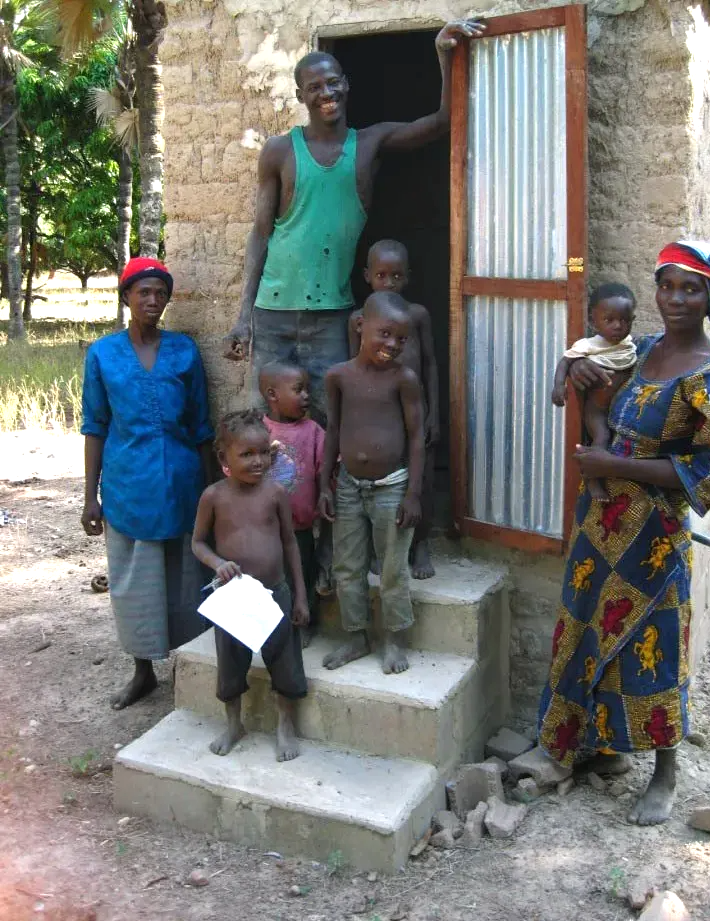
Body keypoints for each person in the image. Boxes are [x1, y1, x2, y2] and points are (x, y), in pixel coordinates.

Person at [526, 241, 710, 826]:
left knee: (655, 642)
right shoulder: (640, 349)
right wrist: (580, 373)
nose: (675, 299)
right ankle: (595, 747)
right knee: (585, 626)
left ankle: (665, 773)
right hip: (599, 522)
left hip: (653, 536)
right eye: (666, 286)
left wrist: (613, 465)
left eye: (691, 289)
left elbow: (709, 473)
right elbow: (595, 390)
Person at [221, 20, 485, 424]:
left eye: (333, 82)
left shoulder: (368, 144)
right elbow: (261, 235)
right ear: (301, 96)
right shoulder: (279, 151)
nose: (326, 93)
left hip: (332, 316)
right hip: (271, 314)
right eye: (314, 87)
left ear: (346, 84)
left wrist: (442, 54)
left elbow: (442, 121)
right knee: (269, 422)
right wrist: (244, 318)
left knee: (330, 420)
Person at [81, 258, 215, 710]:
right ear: (126, 297)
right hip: (128, 485)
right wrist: (90, 496)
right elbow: (94, 426)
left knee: (187, 577)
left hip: (181, 482)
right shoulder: (103, 354)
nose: (153, 300)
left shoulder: (184, 351)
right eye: (144, 292)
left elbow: (201, 425)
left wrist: (212, 491)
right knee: (135, 581)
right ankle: (143, 672)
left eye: (160, 292)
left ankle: (189, 669)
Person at [191, 409, 309, 761]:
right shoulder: (213, 497)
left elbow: (290, 544)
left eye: (263, 453)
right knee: (230, 663)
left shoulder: (276, 493)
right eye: (246, 454)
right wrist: (218, 563)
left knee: (285, 660)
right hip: (235, 597)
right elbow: (198, 543)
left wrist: (300, 596)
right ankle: (233, 724)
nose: (258, 461)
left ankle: (285, 725)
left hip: (275, 593)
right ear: (223, 457)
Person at [318, 292, 424, 674]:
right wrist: (325, 484)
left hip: (392, 486)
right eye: (385, 334)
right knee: (347, 566)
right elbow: (333, 430)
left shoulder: (404, 379)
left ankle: (394, 639)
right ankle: (356, 636)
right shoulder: (338, 377)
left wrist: (413, 494)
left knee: (392, 568)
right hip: (348, 486)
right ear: (361, 325)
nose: (392, 344)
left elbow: (416, 437)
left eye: (401, 339)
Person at [349, 240, 439, 579]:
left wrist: (434, 414)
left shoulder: (417, 315)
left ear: (408, 277)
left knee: (421, 479)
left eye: (397, 276)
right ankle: (380, 547)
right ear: (367, 276)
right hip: (377, 416)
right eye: (382, 275)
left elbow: (430, 363)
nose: (389, 283)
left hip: (415, 410)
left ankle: (421, 544)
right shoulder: (358, 320)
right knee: (378, 479)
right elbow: (354, 370)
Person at [259, 360, 326, 647]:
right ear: (272, 395)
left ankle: (303, 624)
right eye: (299, 390)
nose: (306, 396)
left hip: (300, 526)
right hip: (263, 527)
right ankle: (271, 625)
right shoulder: (258, 431)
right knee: (269, 577)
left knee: (304, 573)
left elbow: (325, 469)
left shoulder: (312, 431)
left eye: (307, 389)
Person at [551, 283, 637, 501]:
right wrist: (559, 386)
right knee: (602, 436)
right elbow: (565, 361)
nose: (618, 326)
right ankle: (592, 479)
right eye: (609, 320)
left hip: (616, 406)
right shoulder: (589, 345)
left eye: (625, 321)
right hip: (597, 409)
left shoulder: (628, 344)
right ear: (593, 321)